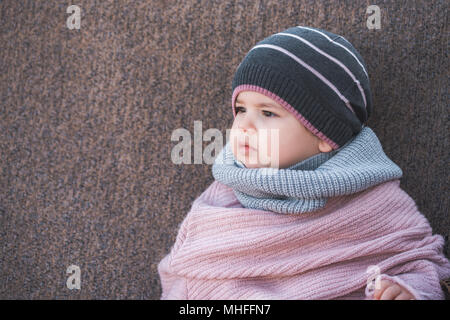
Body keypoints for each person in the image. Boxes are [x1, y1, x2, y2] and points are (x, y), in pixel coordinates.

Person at [158, 26, 450, 299]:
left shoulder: (376, 203)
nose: (244, 125)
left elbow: (424, 263)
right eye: (240, 109)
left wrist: (408, 289)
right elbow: (185, 270)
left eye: (268, 113)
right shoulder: (224, 194)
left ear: (324, 134)